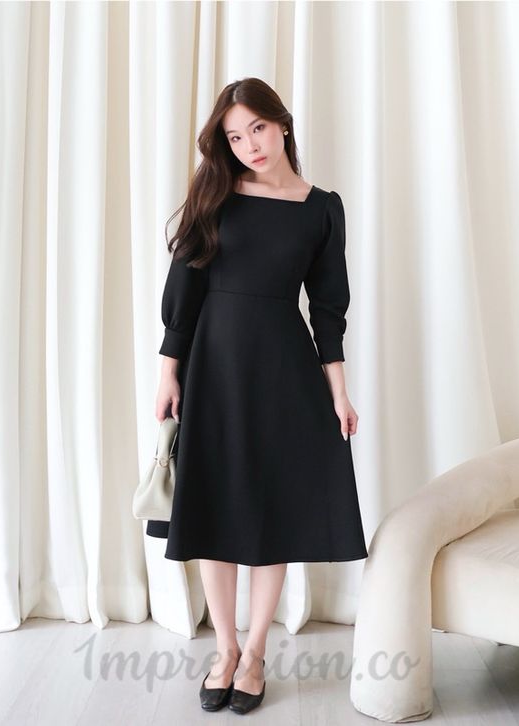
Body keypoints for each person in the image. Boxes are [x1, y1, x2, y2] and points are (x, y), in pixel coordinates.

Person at [150, 77, 368, 714]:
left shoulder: (322, 208)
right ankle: (223, 650)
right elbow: (185, 286)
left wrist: (339, 393)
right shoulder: (215, 195)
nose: (250, 145)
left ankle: (254, 654)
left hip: (283, 373)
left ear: (283, 125)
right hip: (213, 368)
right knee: (213, 509)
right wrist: (168, 371)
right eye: (235, 136)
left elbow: (327, 310)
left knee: (271, 513)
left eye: (258, 129)